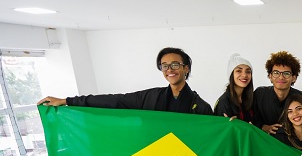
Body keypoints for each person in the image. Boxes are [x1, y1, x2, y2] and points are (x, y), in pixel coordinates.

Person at [38, 47, 212, 114]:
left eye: (175, 64)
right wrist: (67, 101)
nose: (169, 70)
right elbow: (115, 100)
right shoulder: (150, 97)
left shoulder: (201, 107)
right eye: (164, 66)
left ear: (186, 68)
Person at [253, 51, 302, 135]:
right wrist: (263, 127)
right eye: (276, 73)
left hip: (293, 145)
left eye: (286, 73)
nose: (281, 77)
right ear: (270, 76)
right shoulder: (260, 94)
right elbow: (249, 117)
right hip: (264, 143)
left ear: (294, 78)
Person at [213, 53, 254, 121]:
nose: (244, 75)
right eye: (238, 71)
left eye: (248, 72)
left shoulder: (250, 99)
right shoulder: (224, 102)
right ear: (231, 75)